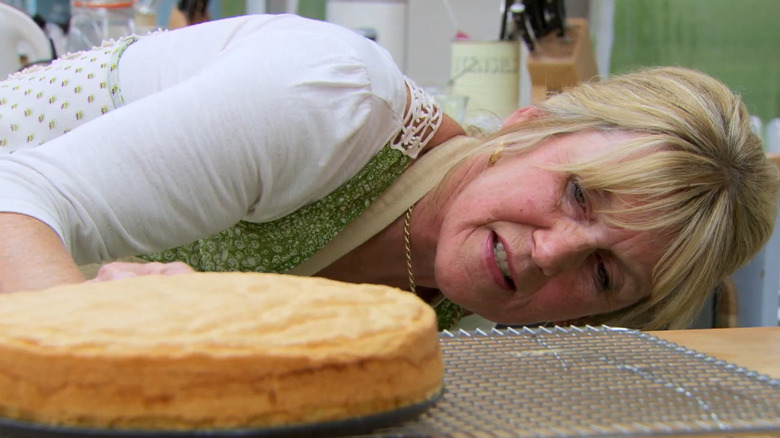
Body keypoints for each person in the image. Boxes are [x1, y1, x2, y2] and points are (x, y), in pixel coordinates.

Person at [0, 13, 776, 331]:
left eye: (604, 273)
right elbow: (13, 196)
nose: (549, 254)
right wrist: (97, 329)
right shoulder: (329, 102)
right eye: (578, 193)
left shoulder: (468, 295)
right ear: (529, 124)